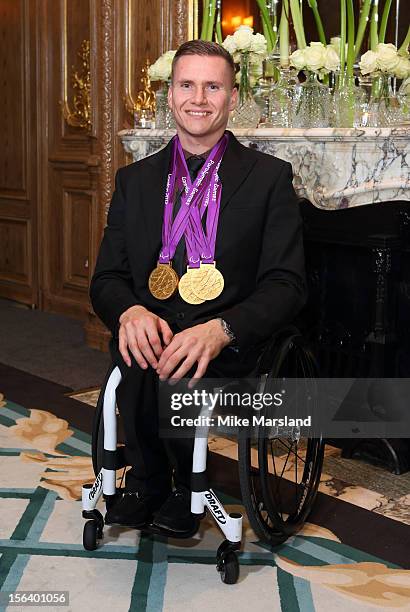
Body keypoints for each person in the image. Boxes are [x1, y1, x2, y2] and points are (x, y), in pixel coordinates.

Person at [90, 40, 306, 537]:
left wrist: (223, 329)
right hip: (153, 329)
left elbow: (287, 283)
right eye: (187, 85)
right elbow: (106, 278)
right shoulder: (135, 181)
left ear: (232, 97)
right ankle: (148, 483)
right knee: (145, 346)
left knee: (179, 356)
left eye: (213, 86)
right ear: (170, 95)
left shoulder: (270, 179)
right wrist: (128, 312)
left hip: (228, 337)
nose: (199, 98)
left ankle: (182, 488)